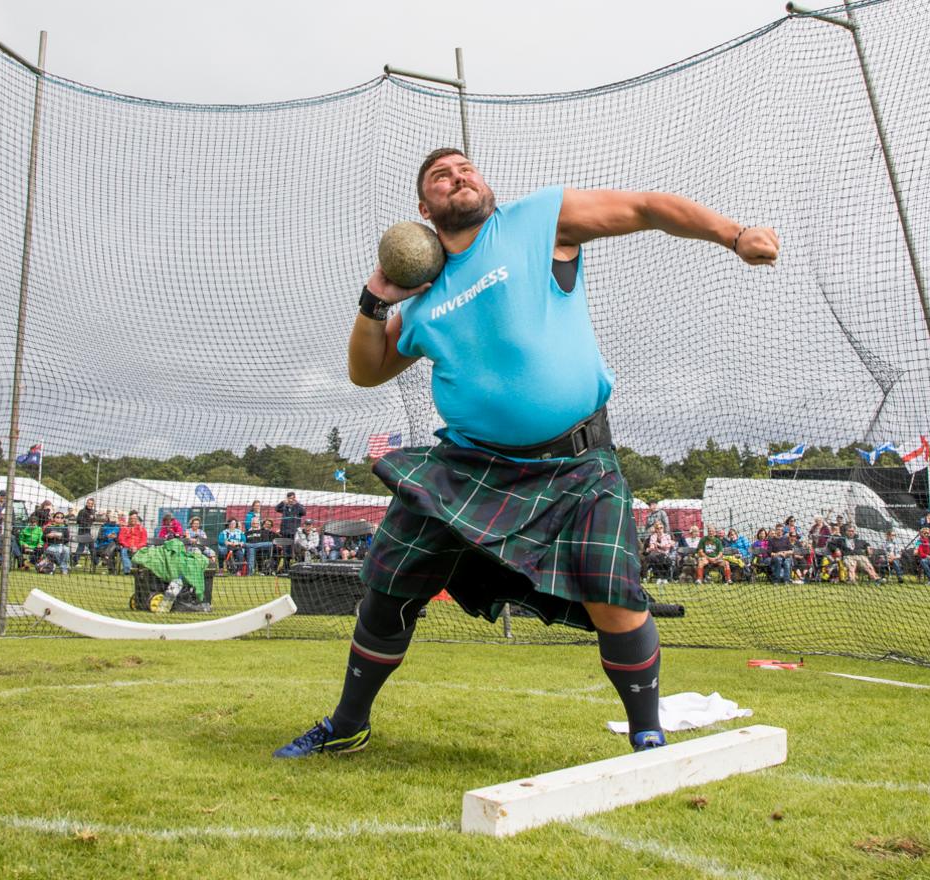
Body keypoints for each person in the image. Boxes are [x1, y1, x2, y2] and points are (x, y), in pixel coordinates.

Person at [274, 147, 778, 758]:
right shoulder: (423, 301)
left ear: (482, 184)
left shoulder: (541, 221)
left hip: (577, 460)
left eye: (465, 169)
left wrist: (734, 233)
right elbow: (366, 370)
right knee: (387, 579)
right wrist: (376, 299)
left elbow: (646, 208)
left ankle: (648, 735)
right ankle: (348, 723)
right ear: (423, 208)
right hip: (472, 465)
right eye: (441, 176)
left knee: (609, 589)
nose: (458, 178)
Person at [72, 498, 97, 568]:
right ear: (86, 503)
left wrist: (92, 517)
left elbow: (93, 520)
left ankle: (95, 562)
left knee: (88, 547)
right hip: (82, 531)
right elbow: (78, 521)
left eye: (91, 503)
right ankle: (95, 562)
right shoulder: (82, 511)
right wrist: (89, 519)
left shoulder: (92, 512)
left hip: (88, 531)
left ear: (93, 504)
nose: (90, 504)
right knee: (84, 547)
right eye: (88, 503)